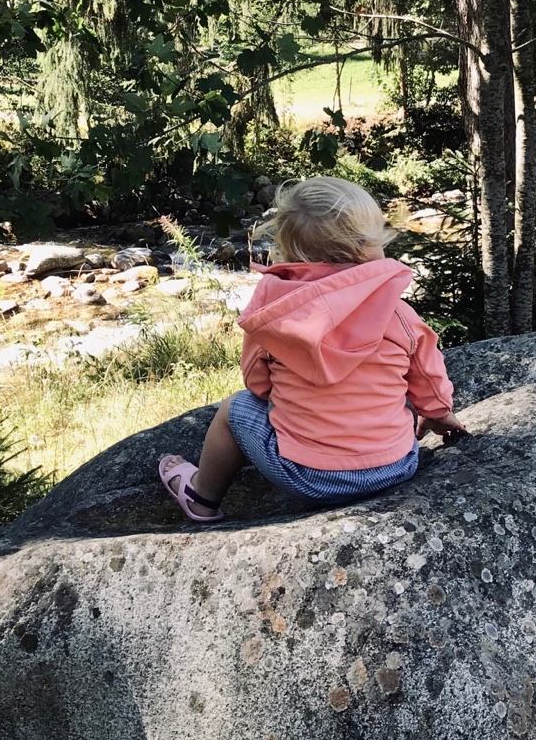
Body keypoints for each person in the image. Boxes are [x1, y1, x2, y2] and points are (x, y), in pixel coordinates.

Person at [159, 175, 467, 524]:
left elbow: (257, 384)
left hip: (309, 479)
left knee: (236, 408)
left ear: (289, 248)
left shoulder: (276, 312)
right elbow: (427, 373)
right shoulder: (398, 314)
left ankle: (202, 498)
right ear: (366, 248)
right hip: (396, 466)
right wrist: (438, 414)